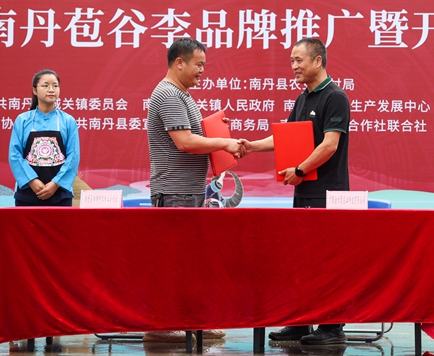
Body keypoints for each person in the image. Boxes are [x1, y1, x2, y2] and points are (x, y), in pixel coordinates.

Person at [243, 37, 350, 345]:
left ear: (318, 60)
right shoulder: (303, 98)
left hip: (328, 195)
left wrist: (300, 170)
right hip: (304, 193)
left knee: (327, 261)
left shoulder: (335, 97)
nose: (294, 66)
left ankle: (332, 327)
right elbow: (284, 138)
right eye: (291, 61)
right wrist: (250, 146)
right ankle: (301, 322)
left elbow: (330, 145)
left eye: (298, 60)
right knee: (303, 260)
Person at [144, 37, 246, 343]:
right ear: (179, 63)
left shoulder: (183, 95)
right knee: (173, 263)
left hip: (188, 191)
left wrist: (217, 130)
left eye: (204, 65)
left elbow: (194, 134)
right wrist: (225, 142)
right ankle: (162, 326)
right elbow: (186, 142)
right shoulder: (169, 95)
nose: (202, 70)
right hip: (174, 192)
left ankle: (191, 321)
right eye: (198, 64)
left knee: (189, 263)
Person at [9, 69, 80, 207]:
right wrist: (32, 180)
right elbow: (15, 155)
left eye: (55, 85)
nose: (51, 89)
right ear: (34, 90)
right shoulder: (23, 120)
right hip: (28, 193)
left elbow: (73, 156)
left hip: (60, 194)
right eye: (45, 85)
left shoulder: (68, 121)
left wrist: (56, 184)